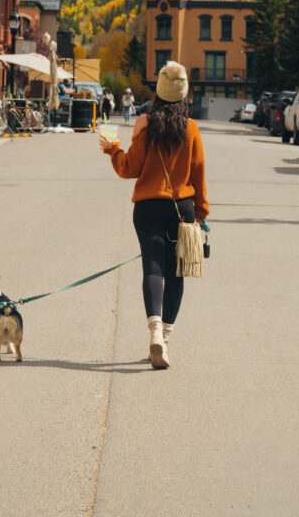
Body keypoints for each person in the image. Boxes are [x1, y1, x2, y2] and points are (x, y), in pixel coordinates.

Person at [99, 61, 209, 369]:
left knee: (153, 269)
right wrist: (201, 213)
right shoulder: (191, 128)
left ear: (159, 91)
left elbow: (129, 169)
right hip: (182, 209)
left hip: (147, 207)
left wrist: (114, 150)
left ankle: (155, 331)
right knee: (177, 274)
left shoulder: (145, 124)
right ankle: (167, 339)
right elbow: (199, 174)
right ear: (185, 94)